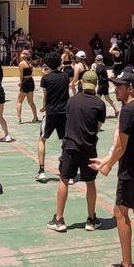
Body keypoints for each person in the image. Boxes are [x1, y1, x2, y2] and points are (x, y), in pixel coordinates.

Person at [92, 70, 134, 267]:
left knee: (120, 213)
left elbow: (121, 147)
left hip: (132, 172)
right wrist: (105, 160)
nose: (115, 90)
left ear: (131, 88)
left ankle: (127, 266)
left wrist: (107, 165)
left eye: (119, 87)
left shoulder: (129, 111)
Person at [49, 70, 106, 232]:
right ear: (95, 85)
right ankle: (91, 219)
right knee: (90, 182)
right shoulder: (99, 104)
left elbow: (68, 118)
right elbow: (98, 127)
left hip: (70, 146)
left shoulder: (71, 101)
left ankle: (59, 219)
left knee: (64, 180)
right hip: (89, 148)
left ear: (81, 83)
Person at [34, 54, 71, 183]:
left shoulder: (45, 78)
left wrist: (44, 107)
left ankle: (42, 171)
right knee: (65, 141)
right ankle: (67, 172)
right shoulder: (65, 77)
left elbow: (46, 96)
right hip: (64, 113)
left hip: (51, 113)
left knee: (42, 139)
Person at [15, 49, 40, 123]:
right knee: (31, 101)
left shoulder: (21, 64)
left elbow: (21, 75)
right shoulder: (30, 63)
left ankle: (18, 118)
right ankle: (35, 117)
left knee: (19, 101)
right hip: (31, 81)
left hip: (25, 81)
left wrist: (20, 83)